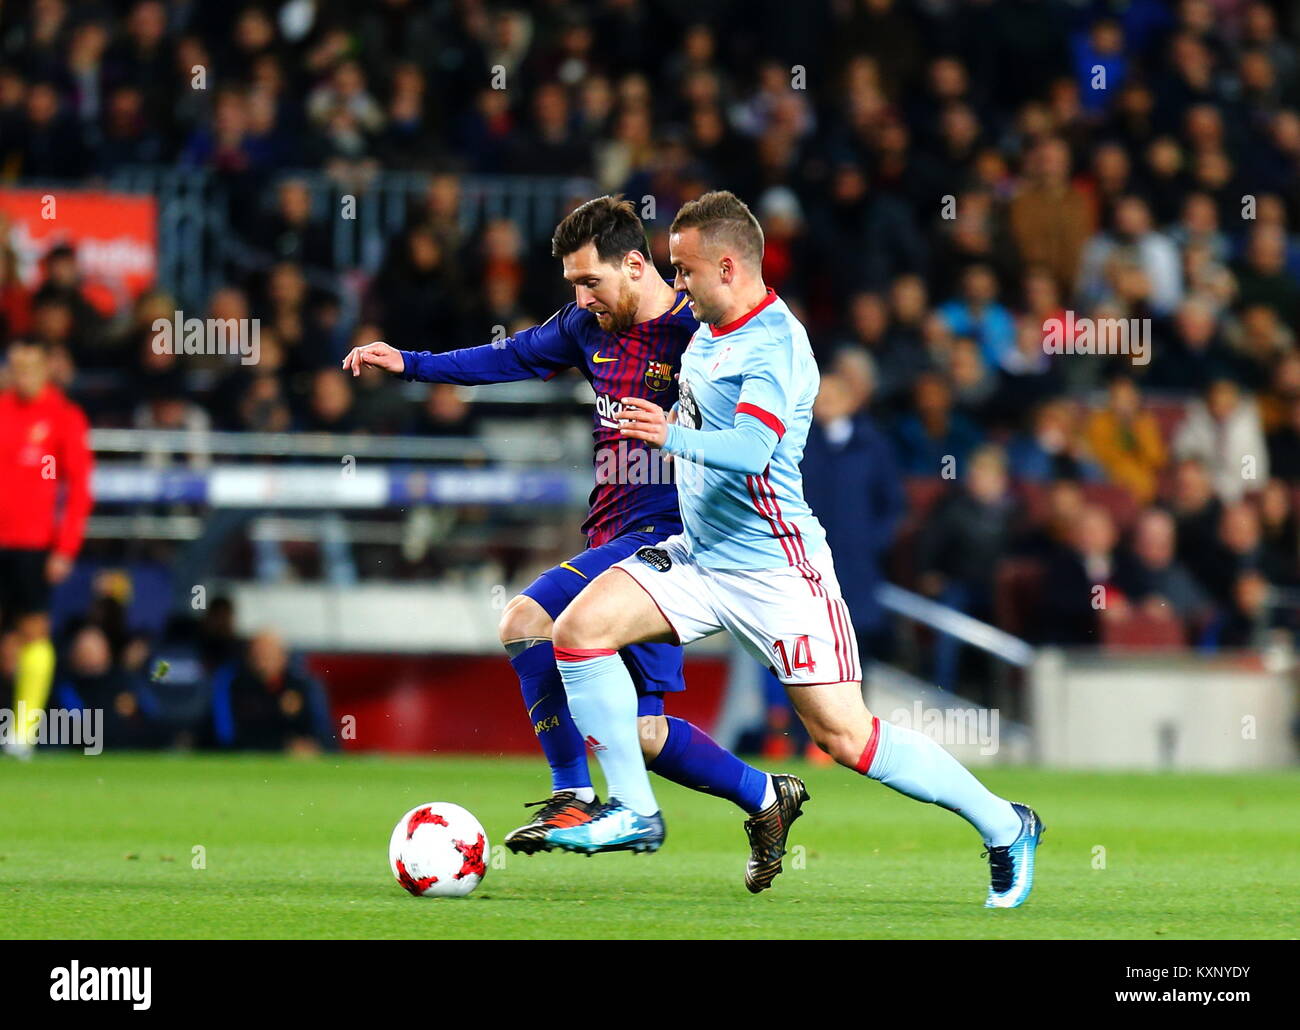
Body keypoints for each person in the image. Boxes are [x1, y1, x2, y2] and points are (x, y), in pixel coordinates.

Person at [545, 191, 1043, 908]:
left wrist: (668, 435)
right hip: (702, 557)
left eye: (683, 270)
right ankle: (633, 810)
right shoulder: (711, 329)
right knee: (578, 632)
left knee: (848, 738)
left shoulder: (776, 342)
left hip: (778, 571)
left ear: (727, 264)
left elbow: (752, 449)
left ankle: (1006, 825)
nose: (675, 284)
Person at [342, 196, 797, 892]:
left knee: (526, 620)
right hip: (615, 534)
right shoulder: (588, 328)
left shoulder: (700, 334)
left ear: (637, 265)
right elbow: (507, 358)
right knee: (645, 736)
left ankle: (574, 795)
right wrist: (409, 363)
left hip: (672, 540)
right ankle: (766, 797)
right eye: (573, 286)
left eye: (591, 282)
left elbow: (762, 426)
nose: (581, 299)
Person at [0, 340, 93, 756]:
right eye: (15, 365)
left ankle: (22, 733)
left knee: (33, 632)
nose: (22, 374)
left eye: (30, 366)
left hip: (33, 544)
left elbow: (79, 489)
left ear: (46, 369)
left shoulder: (63, 417)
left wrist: (65, 547)